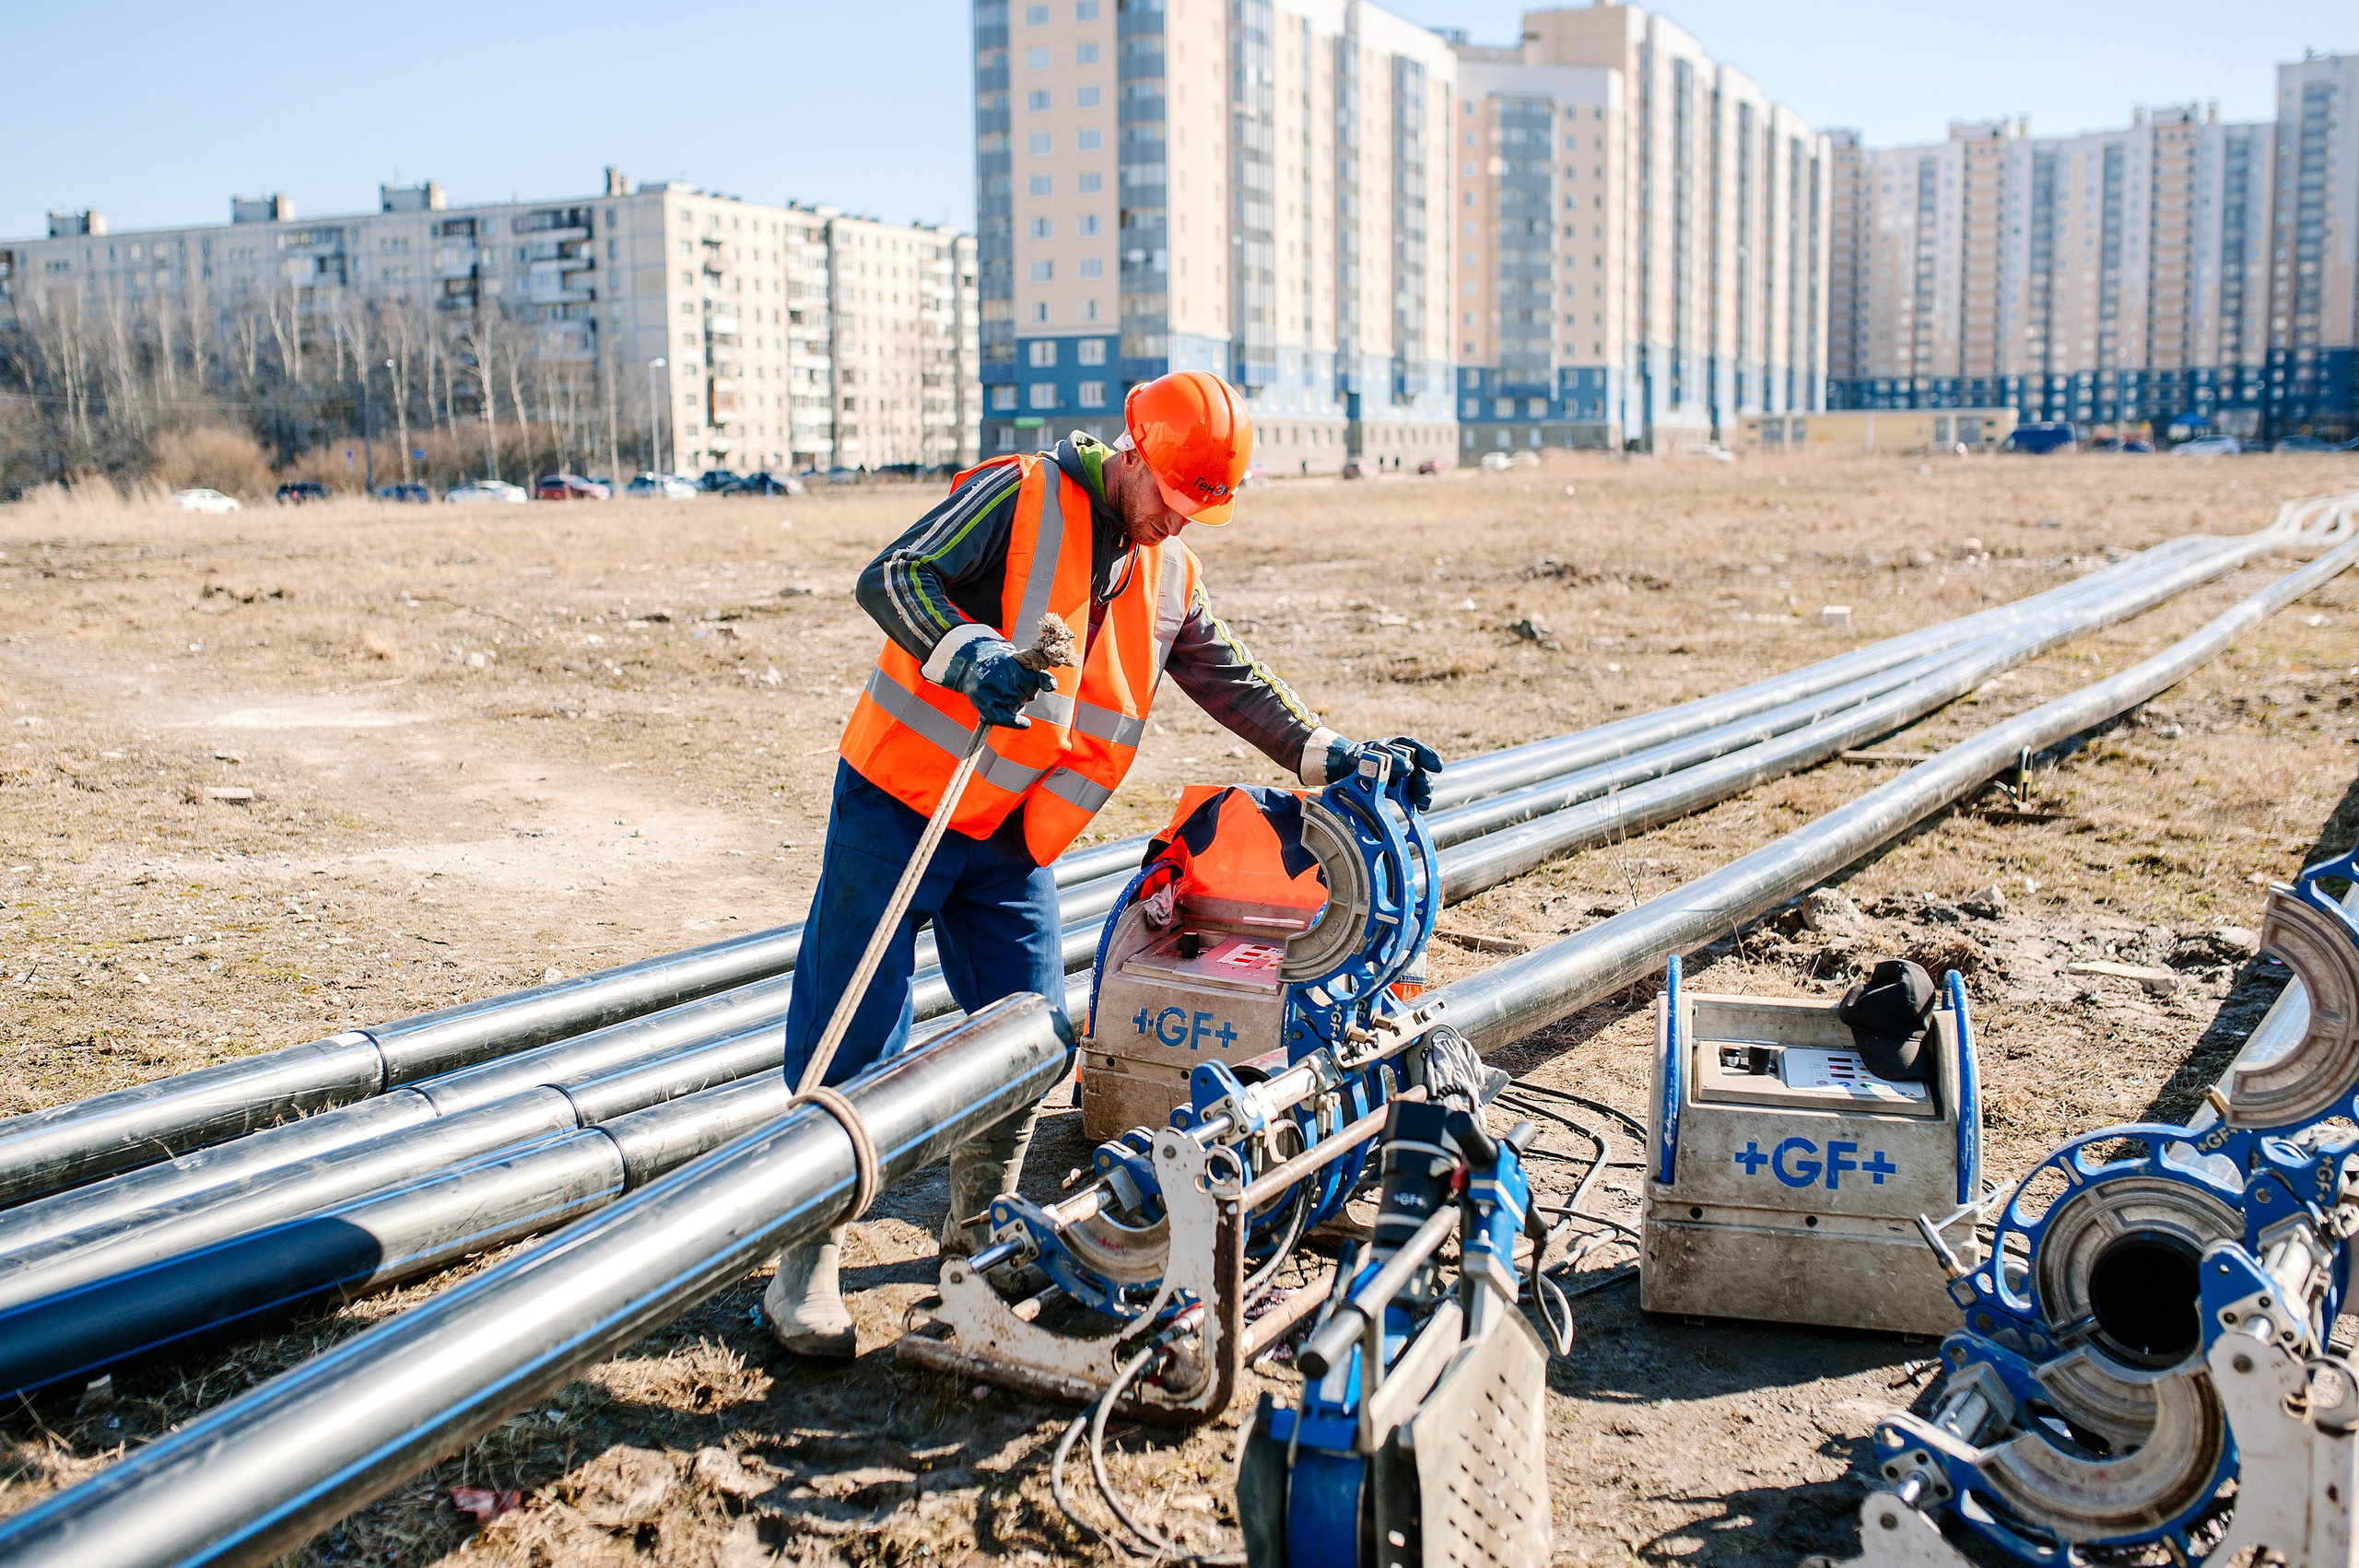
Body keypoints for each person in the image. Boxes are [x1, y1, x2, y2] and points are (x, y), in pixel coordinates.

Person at [762, 369, 1443, 1356]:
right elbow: (894, 575)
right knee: (854, 1019)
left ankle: (976, 1227)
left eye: (1198, 507)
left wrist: (1330, 751)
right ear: (1133, 454)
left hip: (1010, 832)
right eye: (1169, 496)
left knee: (1029, 1024)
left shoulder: (1166, 571)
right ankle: (805, 1257)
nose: (1177, 519)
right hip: (907, 797)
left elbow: (1230, 679)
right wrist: (968, 653)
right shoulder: (1021, 493)